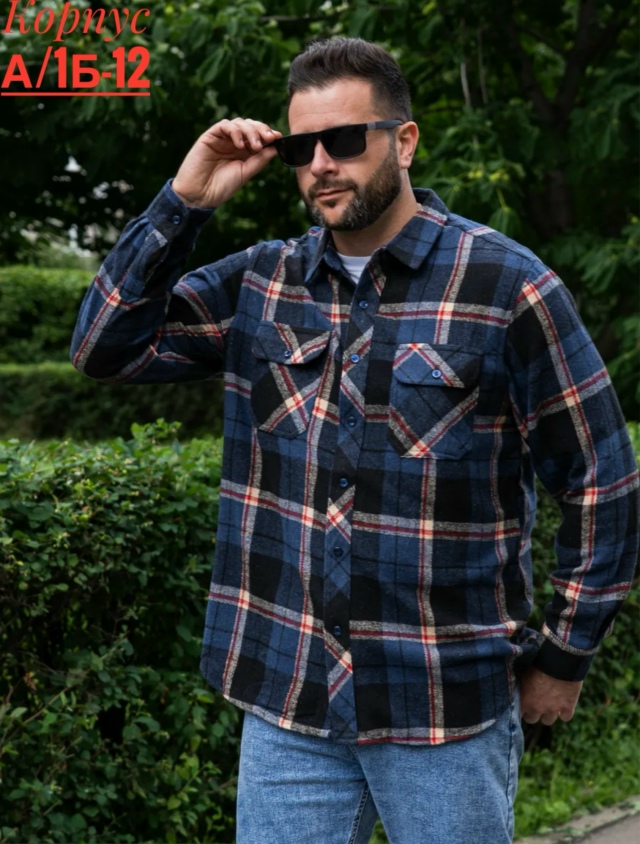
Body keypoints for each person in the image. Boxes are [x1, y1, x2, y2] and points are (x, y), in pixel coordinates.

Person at [71, 37, 639, 844]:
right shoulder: (262, 282)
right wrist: (184, 201)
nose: (320, 165)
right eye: (301, 148)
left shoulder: (505, 284)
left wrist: (565, 654)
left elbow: (599, 476)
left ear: (404, 141)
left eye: (344, 140)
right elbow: (104, 348)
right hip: (287, 701)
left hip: (442, 708)